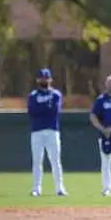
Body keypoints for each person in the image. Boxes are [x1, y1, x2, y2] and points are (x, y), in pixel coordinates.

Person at [27, 67, 66, 197]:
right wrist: (45, 107)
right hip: (37, 130)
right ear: (37, 79)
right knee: (37, 161)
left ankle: (59, 188)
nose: (44, 80)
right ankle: (36, 188)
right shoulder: (33, 95)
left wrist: (42, 108)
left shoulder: (56, 94)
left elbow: (55, 110)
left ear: (50, 79)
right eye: (41, 78)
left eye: (46, 78)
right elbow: (32, 111)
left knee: (55, 160)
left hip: (52, 130)